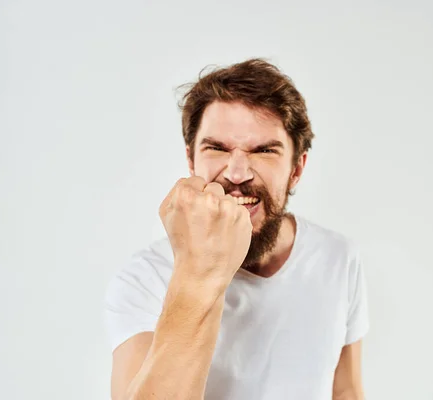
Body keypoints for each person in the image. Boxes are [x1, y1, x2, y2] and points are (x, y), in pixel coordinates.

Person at [104, 58, 369, 400]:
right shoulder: (144, 278)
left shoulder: (338, 257)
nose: (237, 173)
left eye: (264, 151)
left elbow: (345, 391)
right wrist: (201, 270)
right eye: (216, 148)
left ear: (296, 169)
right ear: (191, 160)